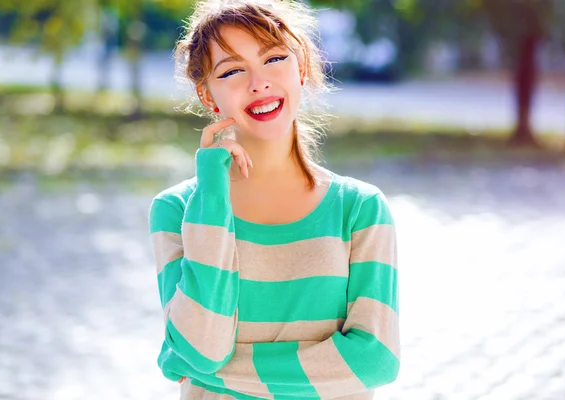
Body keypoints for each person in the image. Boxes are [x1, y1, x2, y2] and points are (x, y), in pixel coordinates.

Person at [148, 0, 400, 398]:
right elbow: (203, 348)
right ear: (208, 96)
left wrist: (206, 373)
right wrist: (212, 194)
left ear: (301, 68)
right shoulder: (177, 211)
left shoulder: (360, 209)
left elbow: (375, 361)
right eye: (231, 70)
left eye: (274, 59)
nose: (258, 82)